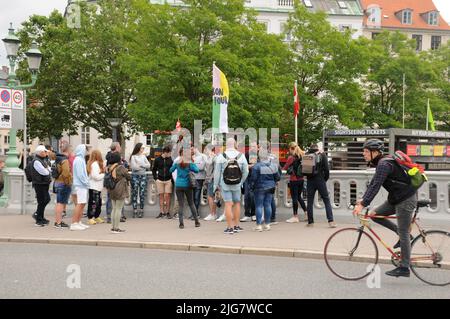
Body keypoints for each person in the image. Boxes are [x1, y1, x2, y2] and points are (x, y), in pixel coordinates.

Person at [353, 139, 417, 278]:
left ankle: (404, 267)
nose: (363, 154)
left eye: (365, 151)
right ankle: (402, 235)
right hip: (396, 198)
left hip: (405, 199)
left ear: (374, 152)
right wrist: (363, 200)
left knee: (403, 231)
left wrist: (362, 205)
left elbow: (376, 186)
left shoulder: (384, 163)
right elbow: (373, 184)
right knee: (374, 214)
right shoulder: (383, 163)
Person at [213, 138, 249, 235]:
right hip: (237, 184)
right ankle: (237, 226)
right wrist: (241, 182)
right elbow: (246, 171)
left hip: (225, 184)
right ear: (235, 144)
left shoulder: (221, 156)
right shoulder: (241, 156)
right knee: (237, 203)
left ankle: (230, 228)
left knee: (228, 204)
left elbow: (216, 173)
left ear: (226, 145)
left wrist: (215, 186)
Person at [249, 148, 280, 232]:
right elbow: (277, 177)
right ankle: (267, 224)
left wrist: (251, 187)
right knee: (268, 205)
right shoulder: (273, 165)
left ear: (259, 156)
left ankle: (259, 225)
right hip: (270, 187)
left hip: (259, 187)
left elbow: (253, 179)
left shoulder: (256, 166)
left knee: (258, 206)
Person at [304, 144, 336, 228]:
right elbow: (326, 169)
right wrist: (324, 179)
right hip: (320, 179)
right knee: (326, 200)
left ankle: (310, 222)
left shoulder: (307, 154)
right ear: (317, 148)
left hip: (310, 180)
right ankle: (331, 221)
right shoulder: (322, 154)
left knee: (310, 201)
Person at [169, 148, 201, 229]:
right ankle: (196, 222)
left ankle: (181, 224)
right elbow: (197, 170)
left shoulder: (177, 162)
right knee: (191, 203)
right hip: (187, 185)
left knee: (181, 204)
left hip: (178, 185)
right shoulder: (189, 162)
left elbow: (170, 170)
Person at [283, 142, 307, 223]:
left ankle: (295, 217)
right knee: (299, 197)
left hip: (294, 180)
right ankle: (306, 213)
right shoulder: (302, 156)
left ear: (291, 148)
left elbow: (285, 167)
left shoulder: (291, 158)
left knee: (294, 198)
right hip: (301, 179)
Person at [107, 152, 131, 233]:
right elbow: (128, 176)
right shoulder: (120, 167)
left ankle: (113, 227)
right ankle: (116, 228)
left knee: (114, 209)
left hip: (111, 189)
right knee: (118, 209)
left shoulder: (109, 167)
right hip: (120, 189)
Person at [30, 145, 52, 227]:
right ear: (40, 152)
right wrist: (47, 170)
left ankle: (40, 216)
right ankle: (39, 220)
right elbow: (44, 172)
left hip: (44, 183)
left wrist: (47, 170)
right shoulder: (36, 161)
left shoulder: (43, 160)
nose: (46, 152)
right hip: (39, 184)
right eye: (45, 151)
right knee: (42, 201)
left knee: (45, 200)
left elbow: (49, 170)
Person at [70, 144, 90, 231]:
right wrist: (86, 182)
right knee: (80, 204)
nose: (86, 151)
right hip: (80, 185)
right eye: (85, 149)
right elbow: (80, 174)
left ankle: (78, 221)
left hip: (81, 185)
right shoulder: (78, 160)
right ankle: (74, 223)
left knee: (82, 203)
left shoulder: (80, 159)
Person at [53, 141, 72, 229]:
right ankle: (59, 222)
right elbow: (66, 174)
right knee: (61, 203)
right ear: (68, 149)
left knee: (58, 203)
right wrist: (69, 182)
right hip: (63, 183)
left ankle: (57, 221)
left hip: (57, 182)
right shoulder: (65, 160)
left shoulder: (58, 158)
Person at [105, 142, 126, 223]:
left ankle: (111, 216)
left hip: (109, 179)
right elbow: (121, 167)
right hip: (117, 179)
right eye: (119, 146)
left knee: (110, 198)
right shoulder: (116, 156)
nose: (120, 148)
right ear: (117, 147)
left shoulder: (108, 155)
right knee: (118, 198)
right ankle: (117, 217)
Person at [130, 143, 151, 218]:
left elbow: (148, 165)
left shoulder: (143, 156)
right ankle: (135, 210)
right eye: (142, 148)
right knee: (134, 193)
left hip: (143, 176)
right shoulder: (133, 157)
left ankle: (141, 210)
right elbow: (134, 167)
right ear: (138, 148)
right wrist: (142, 166)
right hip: (134, 176)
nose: (143, 150)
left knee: (142, 193)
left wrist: (141, 165)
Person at [152, 145, 174, 218]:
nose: (170, 154)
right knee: (161, 196)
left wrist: (172, 179)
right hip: (160, 180)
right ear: (165, 152)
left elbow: (173, 170)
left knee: (167, 196)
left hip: (168, 180)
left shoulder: (171, 159)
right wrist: (156, 178)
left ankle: (167, 212)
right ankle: (161, 212)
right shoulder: (157, 159)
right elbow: (154, 169)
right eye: (169, 153)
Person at [87, 149, 105, 225]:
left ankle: (96, 216)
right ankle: (90, 217)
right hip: (94, 187)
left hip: (97, 187)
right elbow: (95, 176)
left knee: (98, 203)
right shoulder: (94, 164)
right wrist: (104, 174)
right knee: (93, 203)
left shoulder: (96, 164)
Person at [240, 142, 258, 222]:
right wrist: (250, 166)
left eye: (254, 146)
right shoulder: (247, 154)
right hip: (247, 177)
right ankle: (247, 214)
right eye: (251, 146)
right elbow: (243, 165)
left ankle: (254, 214)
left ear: (257, 147)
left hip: (256, 178)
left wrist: (252, 166)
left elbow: (260, 165)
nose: (252, 148)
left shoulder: (259, 155)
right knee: (247, 196)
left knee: (253, 196)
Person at [191, 144, 207, 219]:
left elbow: (201, 167)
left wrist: (193, 166)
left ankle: (196, 214)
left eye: (192, 149)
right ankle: (194, 213)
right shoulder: (192, 157)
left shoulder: (203, 156)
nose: (191, 151)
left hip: (199, 178)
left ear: (195, 148)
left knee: (197, 197)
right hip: (192, 178)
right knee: (193, 197)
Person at [203, 145, 217, 221]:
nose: (205, 150)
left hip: (212, 179)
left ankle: (212, 214)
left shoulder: (214, 157)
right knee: (211, 197)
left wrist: (211, 178)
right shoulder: (210, 157)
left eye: (206, 149)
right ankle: (213, 214)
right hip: (210, 179)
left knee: (210, 196)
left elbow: (215, 169)